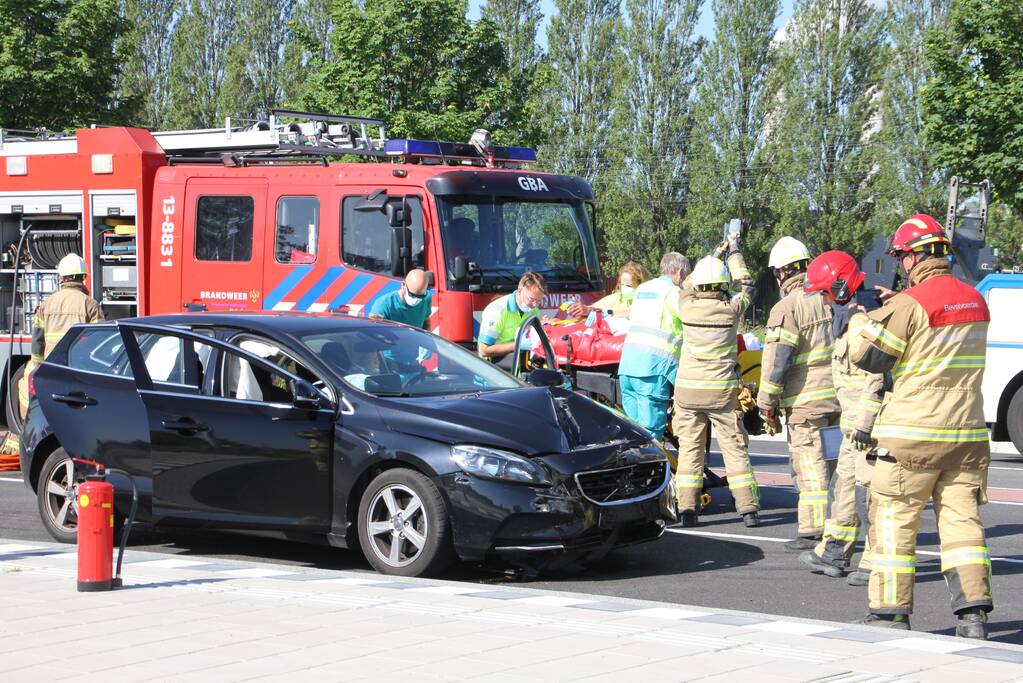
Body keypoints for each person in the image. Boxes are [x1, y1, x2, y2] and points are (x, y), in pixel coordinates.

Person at [850, 214, 992, 638]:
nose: (901, 264)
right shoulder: (976, 300)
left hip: (911, 436)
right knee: (963, 525)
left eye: (902, 256)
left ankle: (890, 614)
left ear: (913, 257)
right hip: (965, 435)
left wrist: (865, 320)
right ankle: (973, 616)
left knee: (894, 521)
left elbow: (869, 358)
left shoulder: (907, 305)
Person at [798, 251, 885, 583]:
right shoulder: (848, 321)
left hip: (869, 428)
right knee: (844, 486)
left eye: (823, 292)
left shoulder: (863, 324)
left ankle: (875, 561)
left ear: (838, 287)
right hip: (853, 429)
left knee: (870, 495)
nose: (821, 300)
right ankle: (834, 551)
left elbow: (879, 377)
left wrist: (865, 423)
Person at [756, 236, 840, 551]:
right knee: (831, 465)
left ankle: (812, 531)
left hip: (806, 405)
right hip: (837, 401)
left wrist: (767, 403)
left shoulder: (787, 307)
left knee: (810, 465)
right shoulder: (829, 297)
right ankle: (836, 525)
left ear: (781, 273)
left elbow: (777, 362)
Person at [672, 234, 760, 528]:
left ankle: (687, 510)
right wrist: (733, 252)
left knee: (689, 452)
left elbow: (686, 285)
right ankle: (748, 510)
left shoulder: (686, 307)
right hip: (721, 394)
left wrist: (714, 255)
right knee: (735, 450)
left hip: (688, 393)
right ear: (723, 286)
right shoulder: (732, 310)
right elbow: (747, 284)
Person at [18, 253, 103, 418]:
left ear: (62, 278)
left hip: (51, 369)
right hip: (78, 370)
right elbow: (98, 341)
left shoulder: (46, 304)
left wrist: (37, 366)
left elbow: (37, 340)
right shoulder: (90, 305)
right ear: (83, 277)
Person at [617, 252, 690, 437]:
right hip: (652, 371)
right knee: (651, 433)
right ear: (680, 272)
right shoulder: (673, 293)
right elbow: (691, 319)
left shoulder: (643, 289)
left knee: (632, 431)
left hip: (627, 367)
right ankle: (651, 466)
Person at [477, 272, 547, 370]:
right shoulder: (497, 311)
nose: (535, 305)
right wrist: (517, 345)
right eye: (532, 299)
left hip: (517, 371)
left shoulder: (533, 310)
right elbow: (484, 350)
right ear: (520, 290)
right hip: (492, 373)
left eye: (539, 301)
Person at [566, 261, 651, 319]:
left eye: (628, 285)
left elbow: (632, 312)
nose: (624, 288)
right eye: (622, 284)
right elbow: (598, 306)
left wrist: (607, 313)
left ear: (641, 285)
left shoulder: (648, 299)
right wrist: (585, 309)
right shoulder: (618, 297)